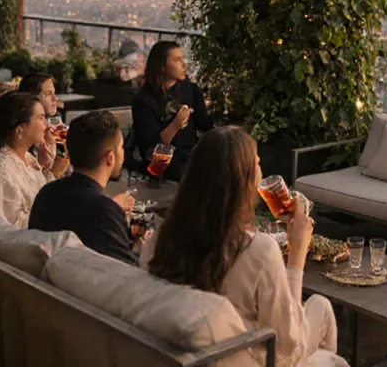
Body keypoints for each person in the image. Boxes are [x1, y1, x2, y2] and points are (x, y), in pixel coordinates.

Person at [143, 127, 338, 367]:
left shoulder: (160, 238)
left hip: (195, 346)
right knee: (325, 329)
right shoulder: (258, 249)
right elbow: (287, 343)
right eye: (257, 163)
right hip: (252, 356)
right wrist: (297, 256)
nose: (261, 170)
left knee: (321, 305)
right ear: (243, 179)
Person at [29, 111, 138, 264]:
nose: (123, 153)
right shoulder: (104, 211)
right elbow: (128, 274)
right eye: (121, 147)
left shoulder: (46, 193)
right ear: (110, 158)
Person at [0, 92, 69, 227]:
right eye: (41, 117)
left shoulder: (27, 158)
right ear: (20, 130)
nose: (47, 125)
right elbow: (10, 230)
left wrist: (52, 172)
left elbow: (39, 201)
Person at [130, 41, 213, 182]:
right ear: (162, 67)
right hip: (162, 163)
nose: (184, 64)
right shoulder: (144, 100)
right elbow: (151, 151)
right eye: (176, 60)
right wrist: (175, 125)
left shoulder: (190, 89)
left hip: (190, 155)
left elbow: (205, 125)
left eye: (182, 58)